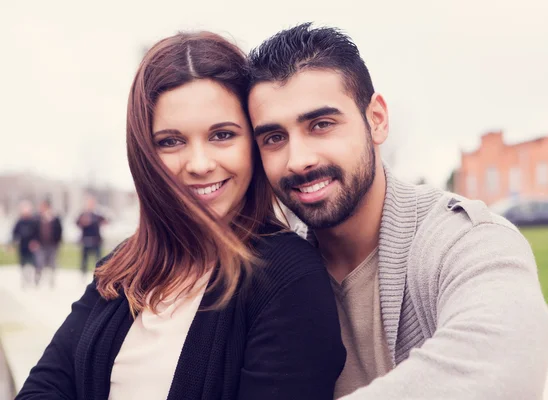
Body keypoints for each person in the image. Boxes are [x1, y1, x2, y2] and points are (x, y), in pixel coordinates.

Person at [17, 31, 345, 400]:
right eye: (171, 141)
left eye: (222, 135)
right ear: (145, 154)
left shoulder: (289, 277)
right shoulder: (124, 265)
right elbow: (43, 388)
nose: (199, 164)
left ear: (252, 145)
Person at [247, 23, 548, 399]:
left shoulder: (468, 240)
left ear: (376, 119)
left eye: (321, 124)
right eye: (274, 138)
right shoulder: (268, 271)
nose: (299, 160)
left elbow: (505, 370)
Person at [11, 200, 41, 288]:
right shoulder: (19, 222)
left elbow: (37, 233)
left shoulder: (34, 221)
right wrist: (14, 242)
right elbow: (15, 233)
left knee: (33, 263)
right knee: (23, 263)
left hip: (32, 246)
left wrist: (35, 242)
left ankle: (34, 279)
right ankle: (24, 279)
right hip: (22, 245)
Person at [75, 195, 106, 279]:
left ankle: (98, 275)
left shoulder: (97, 214)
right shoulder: (83, 214)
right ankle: (83, 274)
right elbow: (77, 223)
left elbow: (105, 221)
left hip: (96, 240)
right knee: (84, 259)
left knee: (98, 260)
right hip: (86, 240)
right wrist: (83, 221)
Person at [35, 198, 63, 287]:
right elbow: (34, 231)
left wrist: (58, 242)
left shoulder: (55, 218)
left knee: (52, 262)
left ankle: (52, 279)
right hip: (40, 244)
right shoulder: (37, 218)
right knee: (39, 261)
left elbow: (59, 230)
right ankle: (38, 278)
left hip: (52, 244)